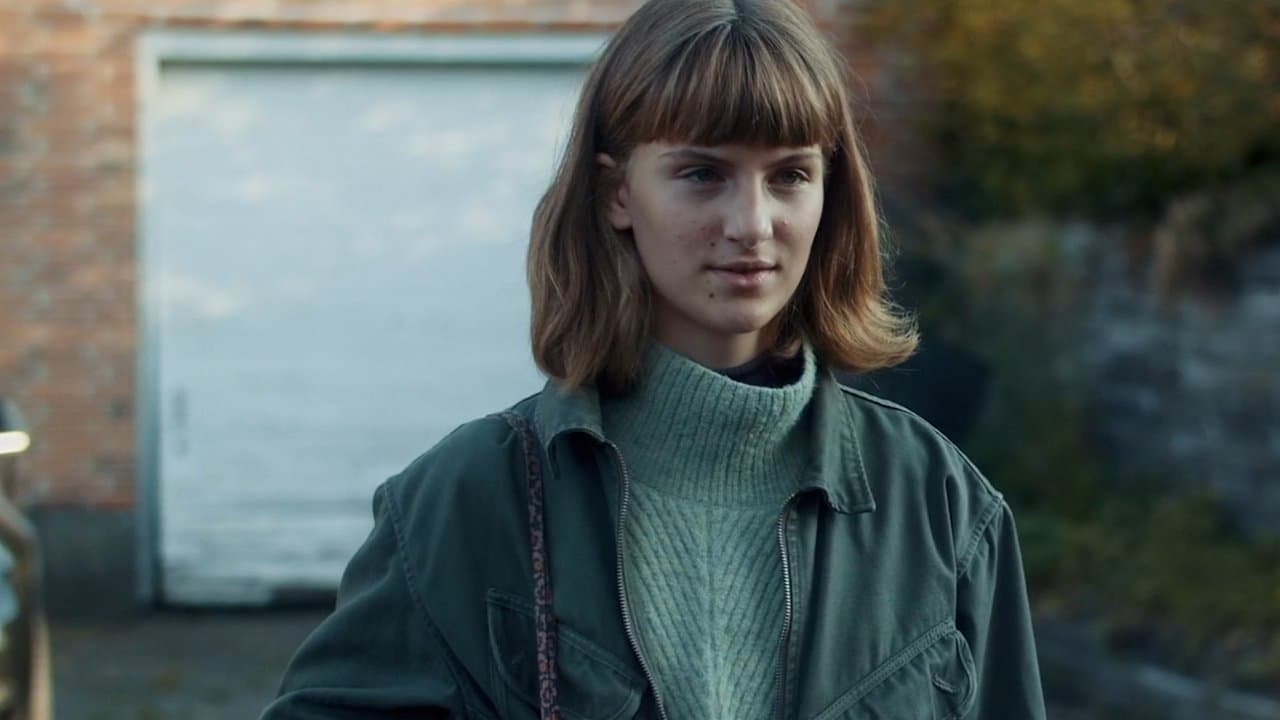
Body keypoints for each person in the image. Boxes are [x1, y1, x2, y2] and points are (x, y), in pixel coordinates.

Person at [260, 0, 1048, 718]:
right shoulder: (466, 500)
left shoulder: (940, 506)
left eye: (789, 176)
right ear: (616, 194)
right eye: (703, 174)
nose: (753, 223)